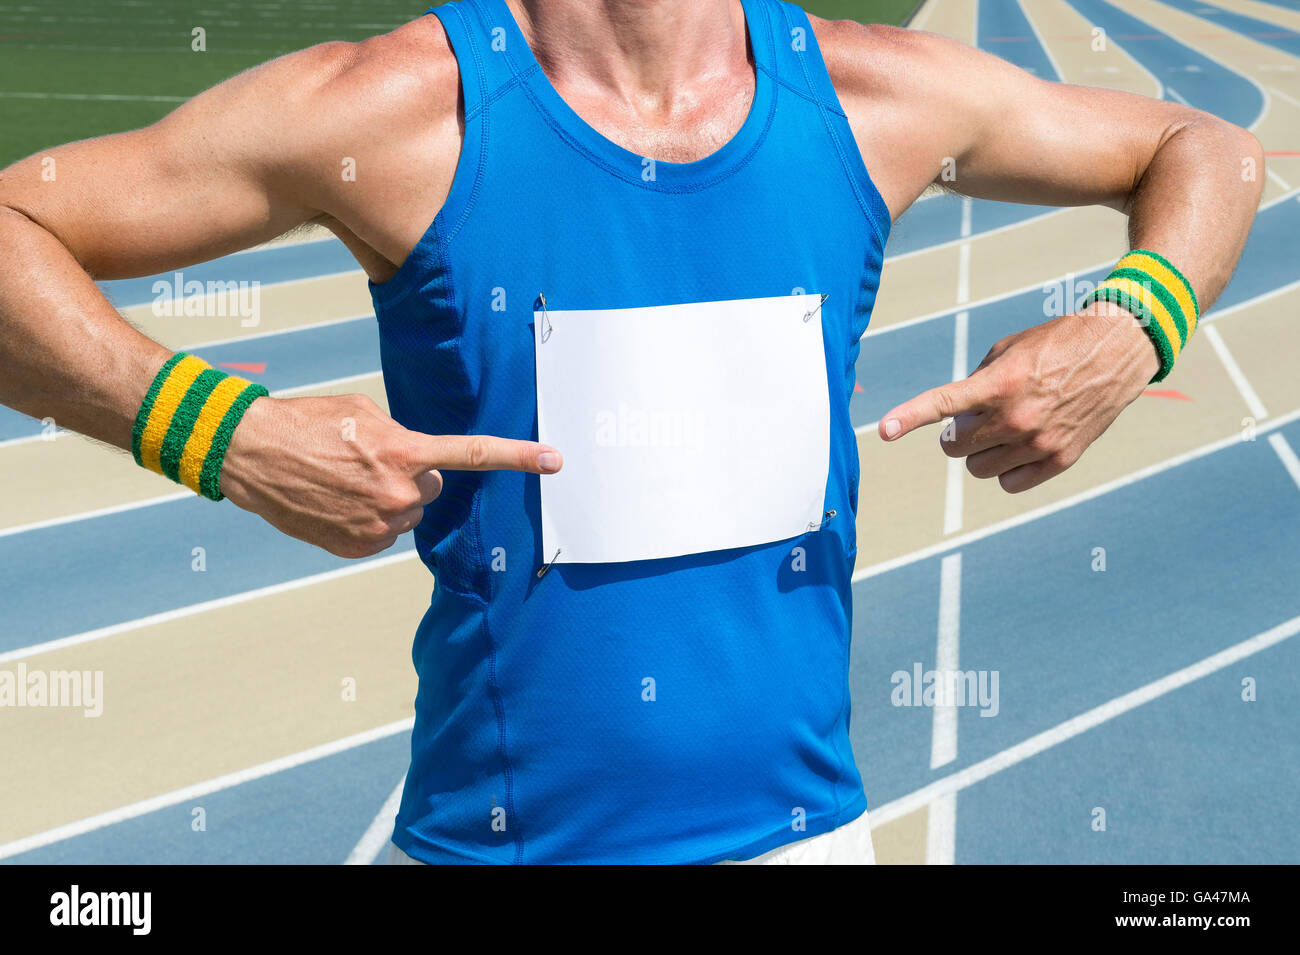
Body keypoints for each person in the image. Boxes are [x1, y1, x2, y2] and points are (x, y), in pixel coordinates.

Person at [0, 0, 1262, 864]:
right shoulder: (393, 109)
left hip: (806, 835)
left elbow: (1198, 143)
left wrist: (1124, 327)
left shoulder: (877, 94)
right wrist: (218, 432)